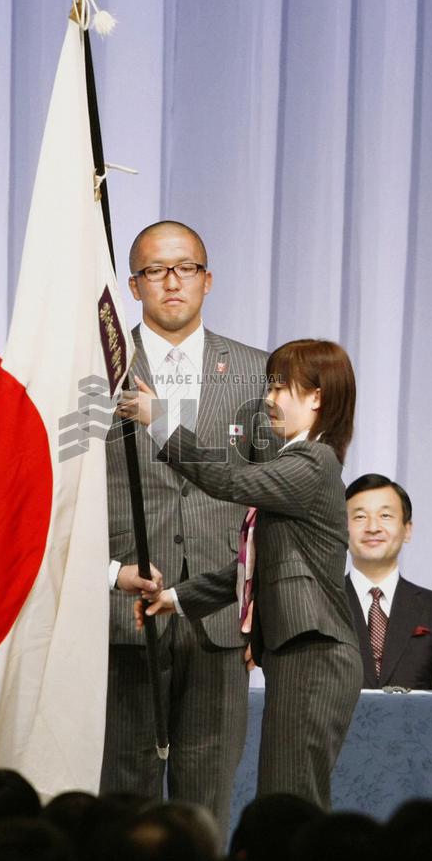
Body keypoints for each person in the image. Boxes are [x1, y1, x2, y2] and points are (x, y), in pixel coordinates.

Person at [130, 338, 363, 810]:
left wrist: (162, 421)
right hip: (303, 653)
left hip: (314, 653)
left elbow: (229, 480)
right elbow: (252, 568)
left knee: (290, 800)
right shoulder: (301, 462)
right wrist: (176, 598)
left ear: (317, 397)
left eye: (280, 388)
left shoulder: (312, 462)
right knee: (286, 796)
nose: (269, 399)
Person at [102, 220, 269, 838]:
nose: (171, 282)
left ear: (208, 279)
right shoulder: (98, 370)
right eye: (155, 270)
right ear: (133, 285)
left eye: (185, 268)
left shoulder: (255, 370)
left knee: (207, 802)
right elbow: (67, 495)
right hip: (124, 616)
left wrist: (261, 608)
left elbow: (272, 497)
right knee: (124, 805)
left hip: (218, 617)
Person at [345, 473, 432, 690]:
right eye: (360, 517)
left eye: (385, 515)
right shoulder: (318, 603)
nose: (373, 527)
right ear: (340, 528)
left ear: (407, 530)